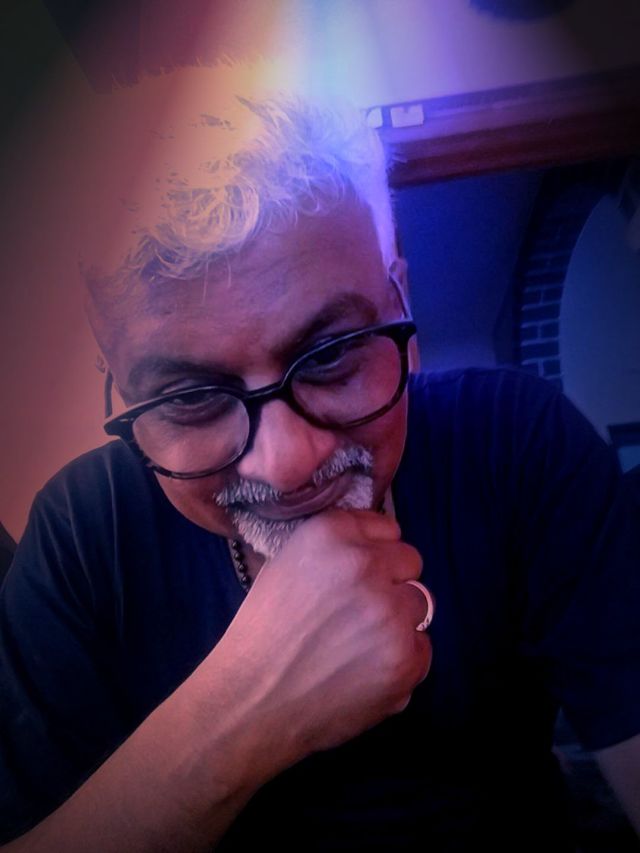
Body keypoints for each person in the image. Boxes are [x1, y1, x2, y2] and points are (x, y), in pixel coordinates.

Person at [1, 63, 639, 852]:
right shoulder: (82, 538)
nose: (286, 464)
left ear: (402, 305)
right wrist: (244, 714)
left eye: (331, 355)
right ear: (119, 386)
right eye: (190, 396)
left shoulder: (517, 443)